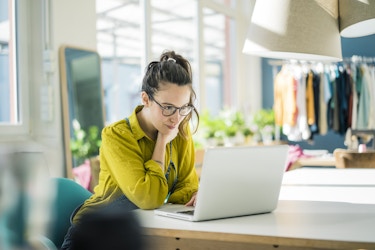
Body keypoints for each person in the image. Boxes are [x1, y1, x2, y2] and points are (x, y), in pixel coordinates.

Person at [61, 50, 199, 249]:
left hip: (141, 232)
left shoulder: (179, 132)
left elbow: (185, 189)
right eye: (168, 107)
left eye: (183, 108)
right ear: (145, 99)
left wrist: (193, 196)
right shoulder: (117, 136)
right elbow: (149, 198)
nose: (176, 118)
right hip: (94, 235)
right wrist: (161, 142)